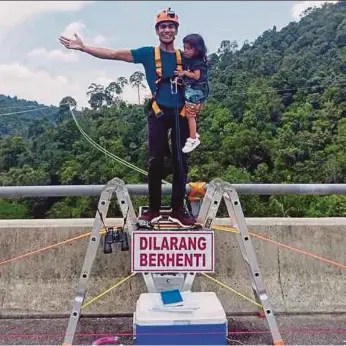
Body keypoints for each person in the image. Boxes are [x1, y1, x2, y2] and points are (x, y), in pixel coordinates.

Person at [58, 8, 200, 226]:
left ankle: (178, 210)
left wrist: (197, 103)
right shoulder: (147, 54)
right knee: (155, 162)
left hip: (182, 114)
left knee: (181, 162)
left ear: (176, 30)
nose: (167, 30)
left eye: (171, 26)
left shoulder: (186, 57)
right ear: (157, 30)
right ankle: (153, 209)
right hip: (158, 113)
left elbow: (200, 80)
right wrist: (85, 48)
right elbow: (114, 54)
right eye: (163, 26)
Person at [175, 34, 209, 153]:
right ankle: (194, 133)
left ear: (197, 49)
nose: (186, 51)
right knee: (190, 113)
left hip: (196, 91)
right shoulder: (192, 60)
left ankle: (193, 139)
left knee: (190, 116)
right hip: (195, 90)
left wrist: (183, 73)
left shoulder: (197, 62)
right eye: (184, 48)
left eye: (188, 48)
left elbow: (196, 76)